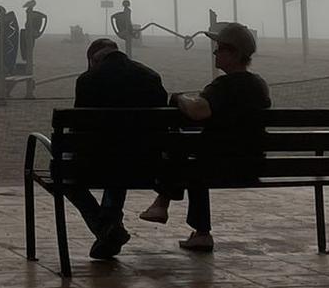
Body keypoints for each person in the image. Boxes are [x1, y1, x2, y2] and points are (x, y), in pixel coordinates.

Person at [140, 22, 271, 252]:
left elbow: (198, 111)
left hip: (223, 165)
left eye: (220, 48)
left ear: (235, 54)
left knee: (182, 146)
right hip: (254, 162)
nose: (214, 52)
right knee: (191, 149)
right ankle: (171, 211)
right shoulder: (259, 84)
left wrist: (179, 98)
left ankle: (165, 205)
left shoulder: (224, 85)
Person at [67, 36, 167, 261]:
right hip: (148, 163)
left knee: (70, 174)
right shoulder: (150, 77)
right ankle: (109, 227)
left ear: (93, 60)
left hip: (101, 162)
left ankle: (106, 229)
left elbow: (79, 130)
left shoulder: (88, 80)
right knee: (120, 158)